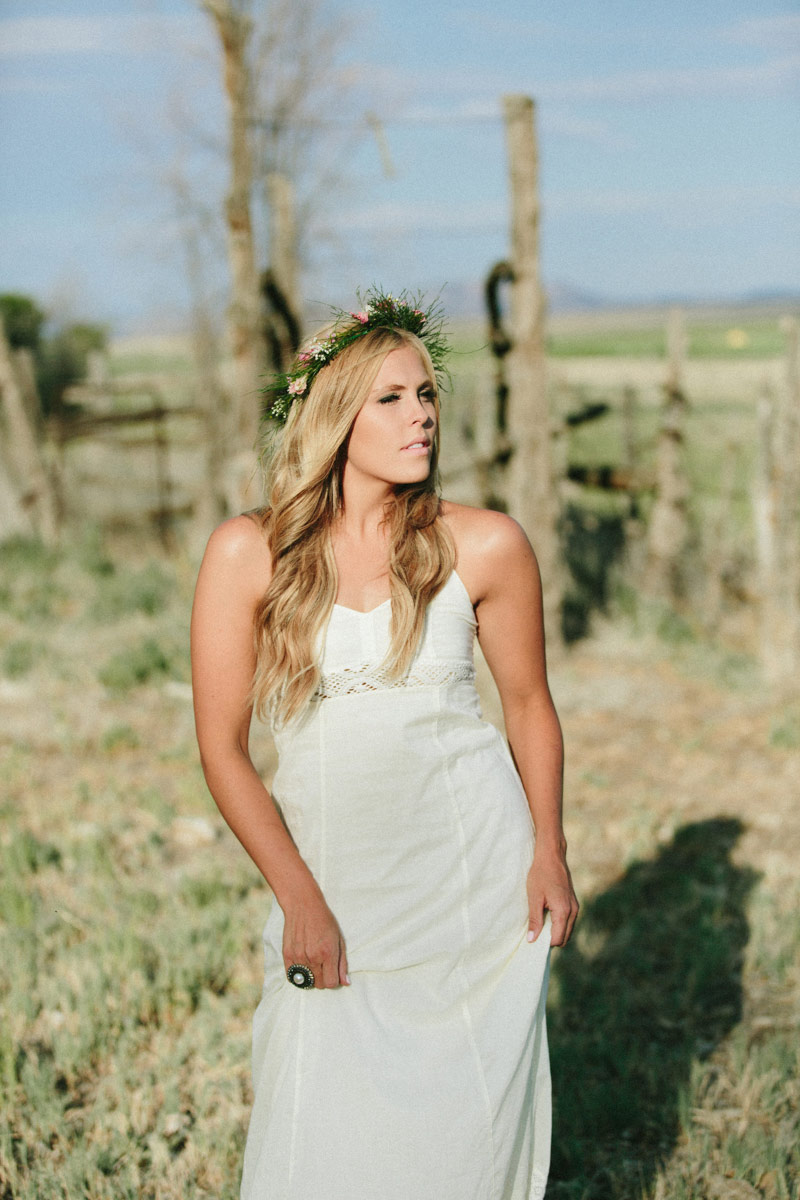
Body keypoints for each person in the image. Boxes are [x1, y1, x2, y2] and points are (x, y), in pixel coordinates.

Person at [190, 289, 579, 1200]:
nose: (423, 417)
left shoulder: (482, 545)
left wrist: (550, 852)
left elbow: (528, 706)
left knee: (466, 1133)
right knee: (318, 1125)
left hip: (474, 873)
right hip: (335, 874)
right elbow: (222, 750)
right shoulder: (250, 553)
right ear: (335, 417)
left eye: (428, 394)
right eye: (393, 398)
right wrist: (301, 898)